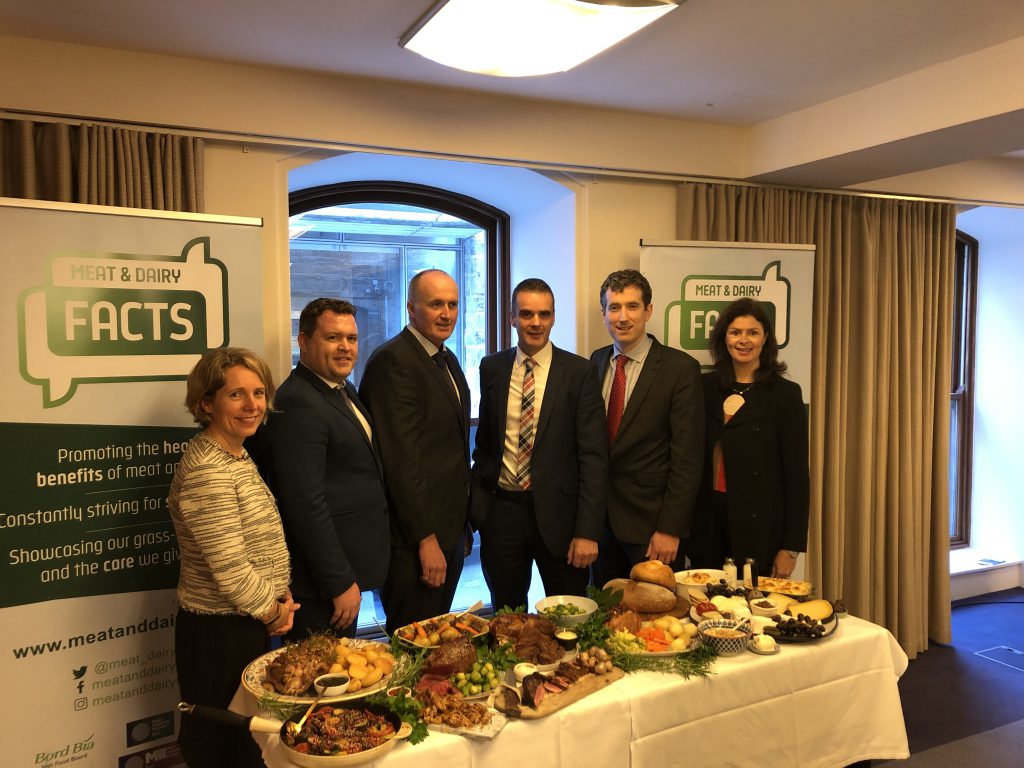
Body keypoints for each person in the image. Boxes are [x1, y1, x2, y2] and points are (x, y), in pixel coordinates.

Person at [168, 348, 298, 768]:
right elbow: (230, 570)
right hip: (217, 634)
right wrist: (273, 611)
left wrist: (279, 591)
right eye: (237, 395)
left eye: (259, 393)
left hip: (243, 622)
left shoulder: (236, 454)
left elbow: (254, 547)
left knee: (245, 745)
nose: (253, 405)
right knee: (220, 749)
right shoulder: (209, 467)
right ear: (207, 402)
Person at [250, 298, 390, 640]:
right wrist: (339, 581)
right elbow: (305, 505)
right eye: (332, 338)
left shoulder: (341, 390)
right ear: (304, 342)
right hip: (321, 587)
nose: (345, 347)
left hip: (347, 571)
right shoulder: (299, 402)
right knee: (320, 684)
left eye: (351, 339)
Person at [471, 278, 607, 611]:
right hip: (500, 514)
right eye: (527, 314)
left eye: (544, 314)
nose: (536, 323)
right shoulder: (492, 367)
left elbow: (593, 457)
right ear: (512, 318)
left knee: (569, 615)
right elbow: (485, 445)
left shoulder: (579, 372)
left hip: (561, 520)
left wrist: (587, 531)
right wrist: (478, 509)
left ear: (553, 317)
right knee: (506, 615)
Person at [359, 269, 472, 634]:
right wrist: (426, 540)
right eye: (435, 304)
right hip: (415, 543)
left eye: (452, 304)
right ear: (411, 308)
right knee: (413, 643)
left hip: (449, 533)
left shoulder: (446, 358)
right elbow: (401, 460)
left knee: (438, 639)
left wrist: (461, 531)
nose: (446, 313)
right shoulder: (393, 361)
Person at [590, 269, 703, 586]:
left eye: (632, 306)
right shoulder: (594, 363)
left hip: (652, 531)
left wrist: (670, 528)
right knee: (606, 620)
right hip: (599, 528)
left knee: (659, 626)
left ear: (648, 311)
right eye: (614, 307)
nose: (622, 317)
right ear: (603, 313)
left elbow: (687, 459)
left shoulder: (680, 370)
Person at [688, 297, 810, 579]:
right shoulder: (702, 388)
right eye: (735, 332)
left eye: (752, 332)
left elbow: (797, 477)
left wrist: (791, 548)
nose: (744, 340)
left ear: (765, 338)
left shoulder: (785, 395)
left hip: (760, 530)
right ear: (724, 338)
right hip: (707, 526)